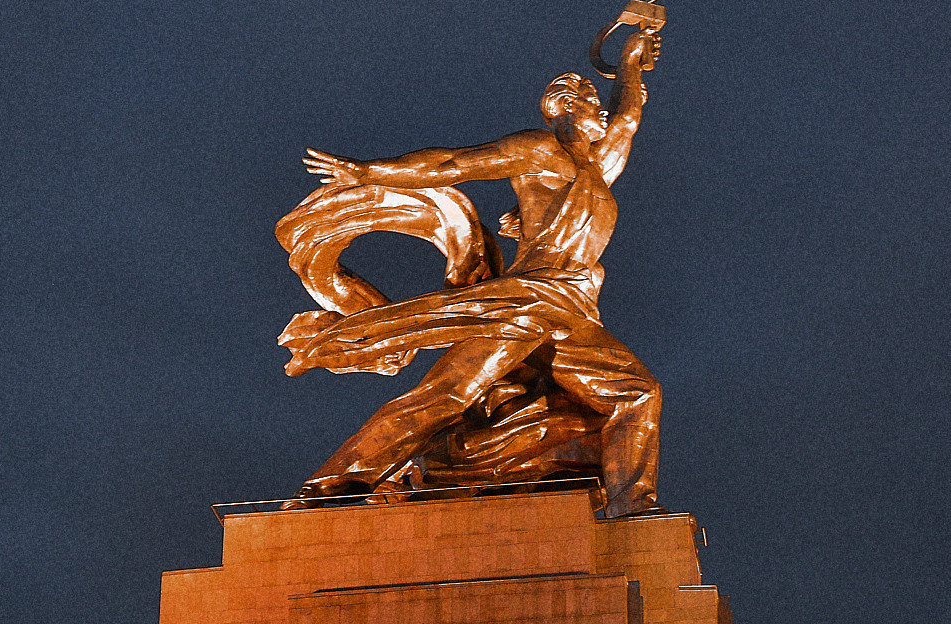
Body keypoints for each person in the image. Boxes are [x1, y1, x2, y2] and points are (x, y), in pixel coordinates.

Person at [281, 26, 666, 516]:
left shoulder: (596, 168)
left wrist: (631, 63)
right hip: (527, 301)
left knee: (636, 392)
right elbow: (451, 163)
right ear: (565, 106)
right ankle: (334, 481)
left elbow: (628, 118)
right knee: (447, 394)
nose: (603, 111)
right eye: (593, 100)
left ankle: (632, 509)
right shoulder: (540, 150)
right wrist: (372, 172)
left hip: (571, 310)